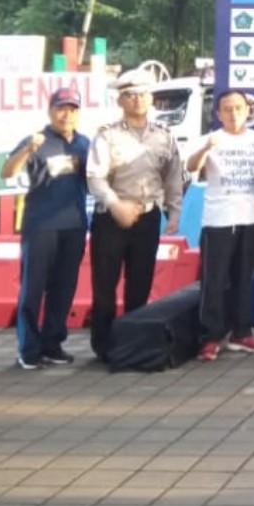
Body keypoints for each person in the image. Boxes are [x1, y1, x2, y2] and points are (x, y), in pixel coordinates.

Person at [85, 68, 184, 362]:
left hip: (147, 217)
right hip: (111, 218)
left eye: (142, 94)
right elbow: (95, 177)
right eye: (130, 95)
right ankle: (103, 347)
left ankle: (133, 345)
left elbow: (173, 177)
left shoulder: (164, 136)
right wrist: (116, 205)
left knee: (140, 285)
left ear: (151, 98)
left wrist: (174, 213)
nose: (137, 100)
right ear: (120, 101)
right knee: (105, 286)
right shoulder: (107, 135)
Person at [2, 87, 90, 369]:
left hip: (74, 226)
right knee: (33, 288)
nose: (67, 114)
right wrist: (27, 150)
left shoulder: (84, 143)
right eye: (61, 108)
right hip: (41, 225)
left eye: (73, 109)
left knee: (64, 288)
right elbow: (8, 172)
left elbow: (95, 179)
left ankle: (53, 344)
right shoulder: (37, 140)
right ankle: (28, 349)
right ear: (51, 111)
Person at [187, 89, 254, 361]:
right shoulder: (211, 139)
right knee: (214, 281)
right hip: (218, 221)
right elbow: (191, 167)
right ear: (219, 113)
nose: (233, 113)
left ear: (248, 110)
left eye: (238, 108)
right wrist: (205, 148)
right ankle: (210, 337)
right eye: (227, 109)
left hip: (249, 220)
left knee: (243, 280)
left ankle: (241, 333)